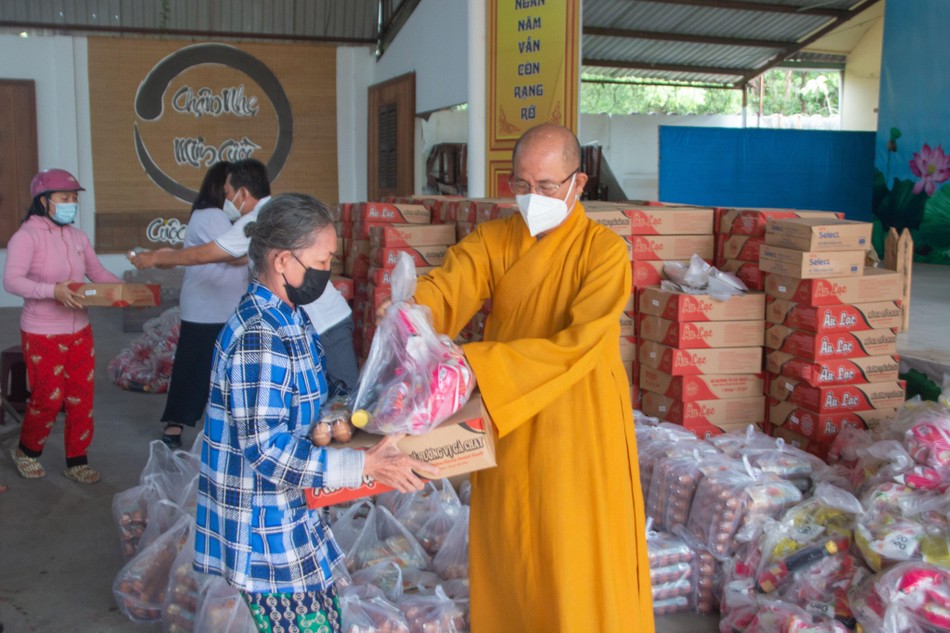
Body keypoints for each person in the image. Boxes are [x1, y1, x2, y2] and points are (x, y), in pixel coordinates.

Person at [411, 123, 653, 632]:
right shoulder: (495, 238)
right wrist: (409, 316)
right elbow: (449, 286)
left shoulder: (605, 252)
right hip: (509, 418)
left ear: (578, 184)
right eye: (521, 185)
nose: (532, 197)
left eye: (546, 186)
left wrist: (478, 364)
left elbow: (580, 342)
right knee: (515, 546)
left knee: (574, 554)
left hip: (577, 422)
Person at [193, 192, 438, 631]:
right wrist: (364, 464)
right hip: (265, 534)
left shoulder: (291, 317)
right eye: (322, 262)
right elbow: (266, 451)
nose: (328, 274)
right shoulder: (260, 337)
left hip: (293, 513)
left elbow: (301, 408)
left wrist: (364, 412)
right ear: (284, 261)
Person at [128, 159, 359, 396]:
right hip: (307, 323)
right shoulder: (273, 217)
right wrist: (171, 256)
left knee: (343, 399)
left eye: (228, 194)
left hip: (326, 323)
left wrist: (155, 258)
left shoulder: (260, 220)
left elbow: (204, 254)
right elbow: (233, 256)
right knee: (318, 401)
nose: (226, 201)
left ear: (243, 193)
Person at [2, 168, 123, 484]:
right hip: (42, 330)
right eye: (64, 198)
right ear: (43, 201)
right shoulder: (25, 237)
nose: (71, 203)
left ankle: (77, 460)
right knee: (48, 397)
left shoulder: (77, 237)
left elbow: (97, 274)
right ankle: (27, 451)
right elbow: (12, 281)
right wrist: (52, 290)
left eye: (74, 198)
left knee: (81, 397)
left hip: (80, 329)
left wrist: (127, 290)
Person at [158, 161, 248, 448]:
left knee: (217, 369)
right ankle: (175, 424)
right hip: (208, 307)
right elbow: (230, 255)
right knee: (194, 367)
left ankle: (214, 423)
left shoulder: (220, 216)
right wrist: (261, 251)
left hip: (223, 305)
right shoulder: (210, 215)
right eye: (233, 188)